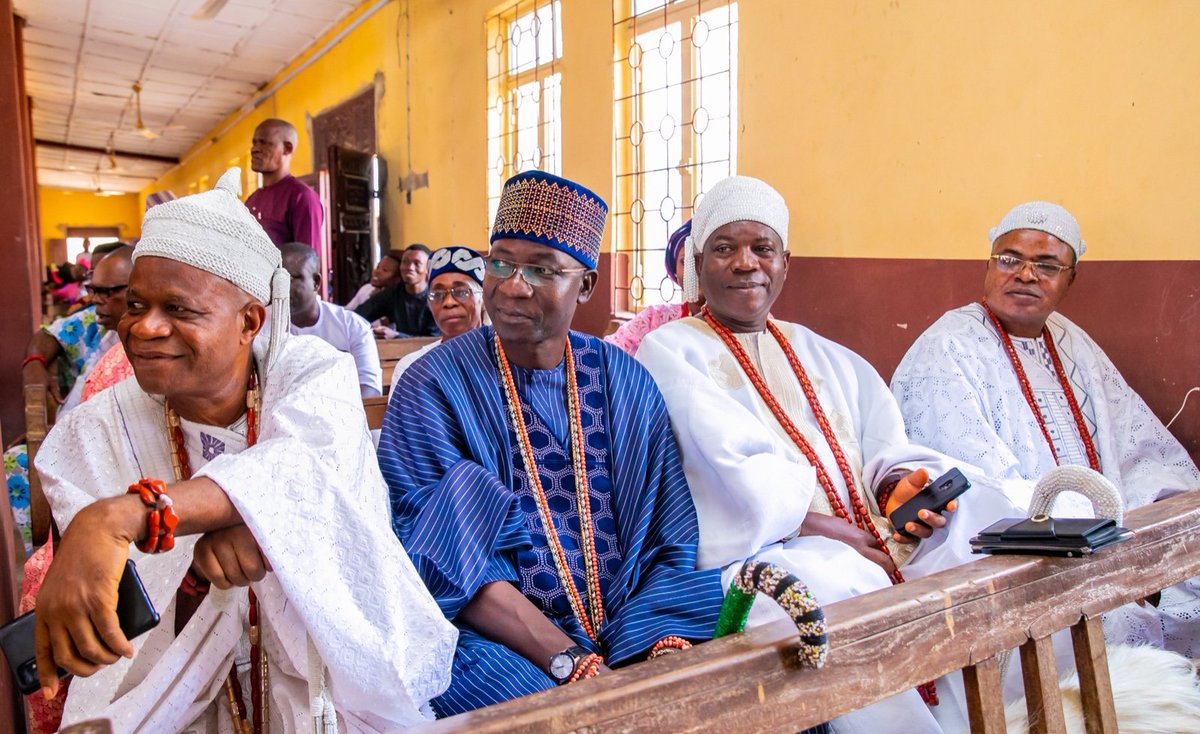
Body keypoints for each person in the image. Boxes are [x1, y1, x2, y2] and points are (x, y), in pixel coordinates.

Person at [33, 168, 455, 732]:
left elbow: (298, 469)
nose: (144, 328)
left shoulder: (310, 371)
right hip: (170, 695)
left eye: (179, 310)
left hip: (316, 687)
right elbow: (122, 623)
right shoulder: (97, 429)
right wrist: (194, 571)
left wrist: (120, 515)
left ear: (250, 322)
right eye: (135, 305)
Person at [636, 175, 1019, 734]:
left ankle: (997, 716)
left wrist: (898, 486)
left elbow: (884, 440)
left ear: (785, 263)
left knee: (976, 532)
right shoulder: (672, 349)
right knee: (835, 583)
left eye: (762, 248)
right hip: (760, 553)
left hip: (873, 532)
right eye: (725, 248)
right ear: (698, 262)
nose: (747, 263)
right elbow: (721, 472)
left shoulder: (821, 351)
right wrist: (823, 528)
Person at [379, 170, 724, 718]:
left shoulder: (625, 380)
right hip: (488, 638)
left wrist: (661, 643)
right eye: (499, 263)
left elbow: (669, 534)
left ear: (585, 286)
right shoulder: (433, 386)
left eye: (541, 269)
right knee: (557, 720)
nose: (512, 285)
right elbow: (444, 558)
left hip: (635, 619)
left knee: (755, 690)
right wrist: (571, 662)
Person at [891, 200, 1200, 654]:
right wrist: (1093, 538)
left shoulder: (1071, 340)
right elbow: (977, 480)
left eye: (1047, 265)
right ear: (990, 265)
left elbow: (1141, 450)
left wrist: (1140, 532)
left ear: (1070, 279)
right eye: (1010, 259)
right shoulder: (947, 346)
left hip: (1103, 535)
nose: (1025, 275)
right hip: (1018, 548)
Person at [282, 242, 382, 397]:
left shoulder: (353, 327)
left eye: (292, 278)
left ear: (316, 282)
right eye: (277, 278)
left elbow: (370, 389)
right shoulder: (259, 325)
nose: (282, 285)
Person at [387, 245, 486, 394]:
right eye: (438, 294)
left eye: (461, 292)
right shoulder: (413, 368)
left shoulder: (508, 358)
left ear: (484, 299)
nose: (448, 302)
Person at [605, 220, 700, 355]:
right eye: (685, 262)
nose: (695, 270)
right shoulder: (655, 319)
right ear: (675, 273)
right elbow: (608, 353)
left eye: (702, 260)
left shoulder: (736, 327)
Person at [245, 119, 325, 253]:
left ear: (287, 148)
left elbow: (307, 265)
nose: (254, 149)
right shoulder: (251, 200)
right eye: (254, 143)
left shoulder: (302, 197)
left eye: (264, 143)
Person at [355, 243, 439, 338]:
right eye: (405, 262)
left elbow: (433, 340)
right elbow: (357, 317)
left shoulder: (436, 298)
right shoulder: (391, 295)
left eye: (417, 263)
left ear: (427, 269)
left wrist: (397, 335)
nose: (410, 268)